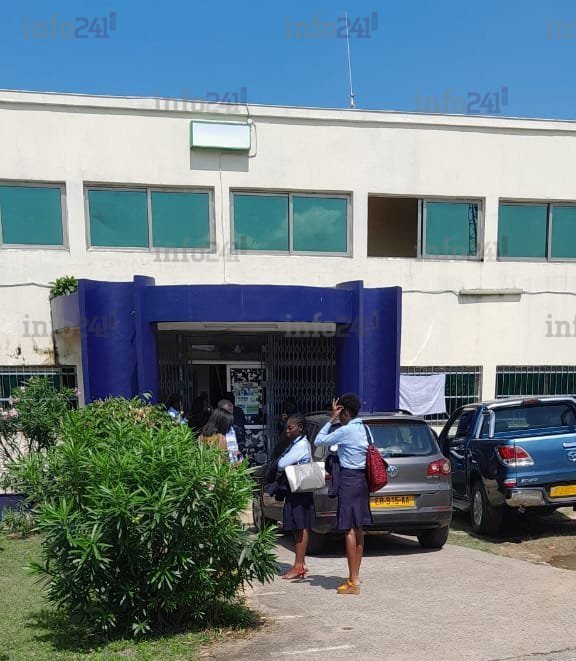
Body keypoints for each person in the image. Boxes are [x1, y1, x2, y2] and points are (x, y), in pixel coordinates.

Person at [314, 393, 372, 595]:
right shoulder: (365, 428)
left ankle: (353, 581)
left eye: (339, 413)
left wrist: (330, 419)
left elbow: (319, 440)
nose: (338, 417)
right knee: (359, 528)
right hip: (362, 481)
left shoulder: (346, 430)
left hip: (348, 480)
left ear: (345, 412)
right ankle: (355, 576)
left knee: (349, 530)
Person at [275, 412, 315, 580]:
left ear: (300, 428)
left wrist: (283, 457)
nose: (287, 431)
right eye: (286, 428)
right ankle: (301, 564)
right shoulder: (297, 443)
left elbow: (281, 464)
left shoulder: (301, 445)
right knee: (298, 527)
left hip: (299, 491)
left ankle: (298, 566)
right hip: (298, 489)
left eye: (290, 428)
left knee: (300, 527)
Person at [218, 399, 244, 464]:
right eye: (228, 410)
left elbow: (238, 446)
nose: (231, 413)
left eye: (231, 410)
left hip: (234, 462)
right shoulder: (216, 429)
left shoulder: (234, 429)